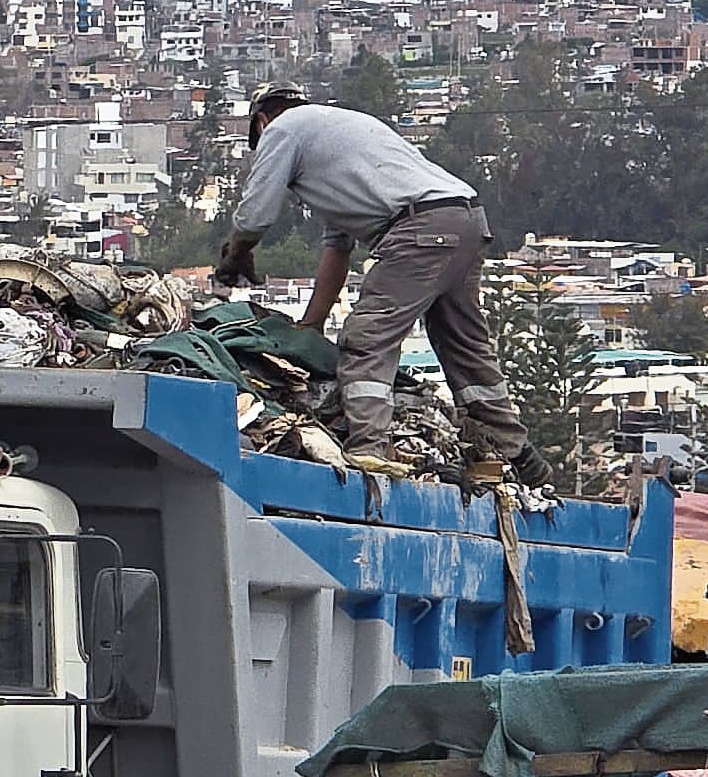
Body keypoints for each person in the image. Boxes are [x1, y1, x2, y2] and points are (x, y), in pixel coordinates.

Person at [212, 82, 544, 484]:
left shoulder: (283, 129)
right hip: (465, 219)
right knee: (464, 347)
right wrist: (312, 325)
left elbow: (256, 215)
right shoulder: (338, 139)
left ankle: (367, 449)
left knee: (367, 337)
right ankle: (516, 452)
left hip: (420, 229)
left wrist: (238, 251)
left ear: (261, 121)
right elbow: (338, 252)